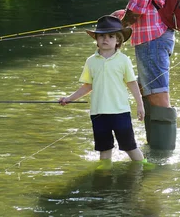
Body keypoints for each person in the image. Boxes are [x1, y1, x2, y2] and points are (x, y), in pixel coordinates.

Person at [116, 0, 177, 151]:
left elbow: (139, 8)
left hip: (152, 37)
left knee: (158, 94)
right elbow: (151, 1)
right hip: (161, 32)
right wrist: (124, 14)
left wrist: (117, 28)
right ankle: (156, 148)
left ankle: (163, 155)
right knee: (152, 92)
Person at [58, 15, 150, 169]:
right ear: (96, 39)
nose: (105, 39)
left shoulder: (123, 60)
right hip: (98, 112)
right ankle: (105, 173)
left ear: (118, 40)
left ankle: (143, 166)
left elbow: (132, 83)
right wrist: (69, 98)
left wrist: (140, 105)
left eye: (111, 36)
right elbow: (88, 86)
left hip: (120, 111)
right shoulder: (91, 61)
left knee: (129, 145)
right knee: (104, 147)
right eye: (101, 36)